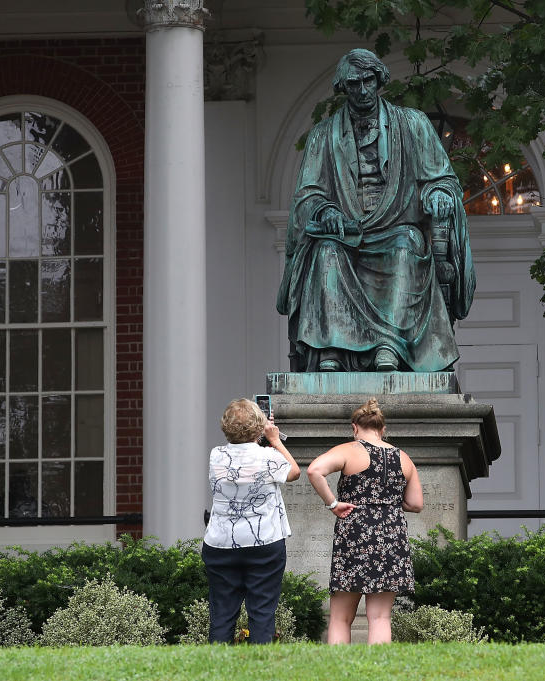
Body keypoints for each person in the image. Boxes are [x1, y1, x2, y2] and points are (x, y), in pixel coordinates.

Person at [276, 48, 475, 373]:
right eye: (354, 84)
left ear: (379, 80)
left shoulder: (413, 124)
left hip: (398, 230)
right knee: (325, 252)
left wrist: (439, 193)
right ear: (344, 87)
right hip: (346, 235)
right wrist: (325, 209)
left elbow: (442, 178)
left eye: (368, 80)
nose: (362, 90)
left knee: (405, 247)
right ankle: (333, 349)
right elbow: (307, 195)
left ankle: (390, 347)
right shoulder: (323, 136)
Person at [306, 398, 424, 644]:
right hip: (392, 535)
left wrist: (333, 503)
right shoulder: (403, 458)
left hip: (356, 533)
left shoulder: (349, 450)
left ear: (355, 427)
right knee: (380, 617)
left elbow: (314, 470)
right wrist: (387, 503)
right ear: (383, 429)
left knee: (340, 617)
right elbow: (415, 504)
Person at [202, 398, 301, 643]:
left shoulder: (216, 455)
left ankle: (217, 670)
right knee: (262, 613)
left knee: (222, 615)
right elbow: (294, 472)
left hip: (221, 544)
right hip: (264, 543)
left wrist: (259, 437)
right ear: (259, 427)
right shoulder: (269, 456)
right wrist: (275, 439)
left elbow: (244, 454)